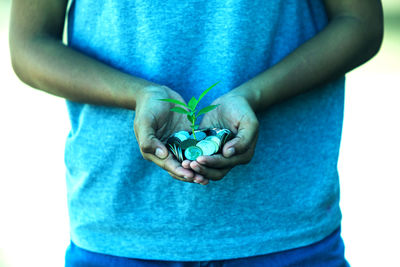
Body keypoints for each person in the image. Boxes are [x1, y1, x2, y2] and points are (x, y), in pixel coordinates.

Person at [9, 0, 383, 266]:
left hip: (283, 225)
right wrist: (137, 94)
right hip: (120, 224)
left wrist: (256, 94)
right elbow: (29, 44)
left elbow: (360, 21)